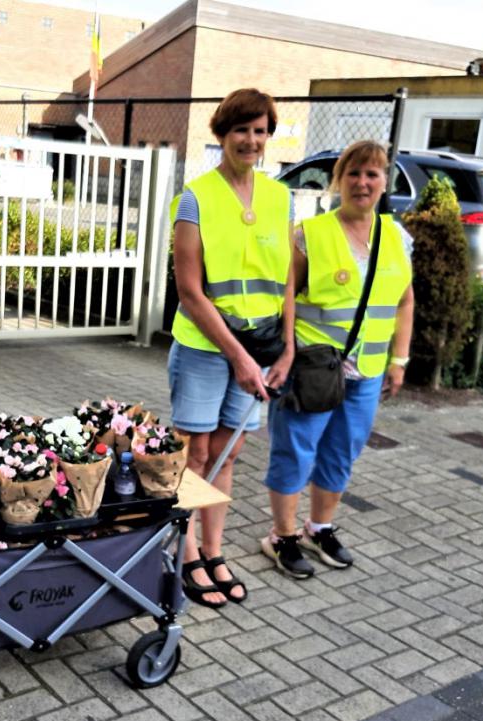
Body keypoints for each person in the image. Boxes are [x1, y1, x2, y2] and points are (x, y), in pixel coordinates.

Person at [261, 140, 414, 579]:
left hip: (366, 371)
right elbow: (286, 296)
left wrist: (398, 359)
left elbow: (404, 301)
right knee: (295, 450)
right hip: (313, 367)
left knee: (342, 451)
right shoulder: (311, 234)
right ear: (338, 180)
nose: (362, 182)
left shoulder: (397, 238)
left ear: (385, 182)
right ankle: (282, 536)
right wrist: (287, 352)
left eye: (372, 174)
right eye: (354, 173)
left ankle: (320, 527)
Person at [169, 88, 295, 608]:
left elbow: (286, 280)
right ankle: (185, 553)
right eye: (242, 129)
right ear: (222, 133)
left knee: (228, 451)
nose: (252, 140)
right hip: (204, 347)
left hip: (261, 348)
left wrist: (286, 349)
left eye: (261, 130)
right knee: (194, 453)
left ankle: (215, 550)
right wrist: (239, 356)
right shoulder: (196, 197)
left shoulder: (280, 197)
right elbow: (190, 292)